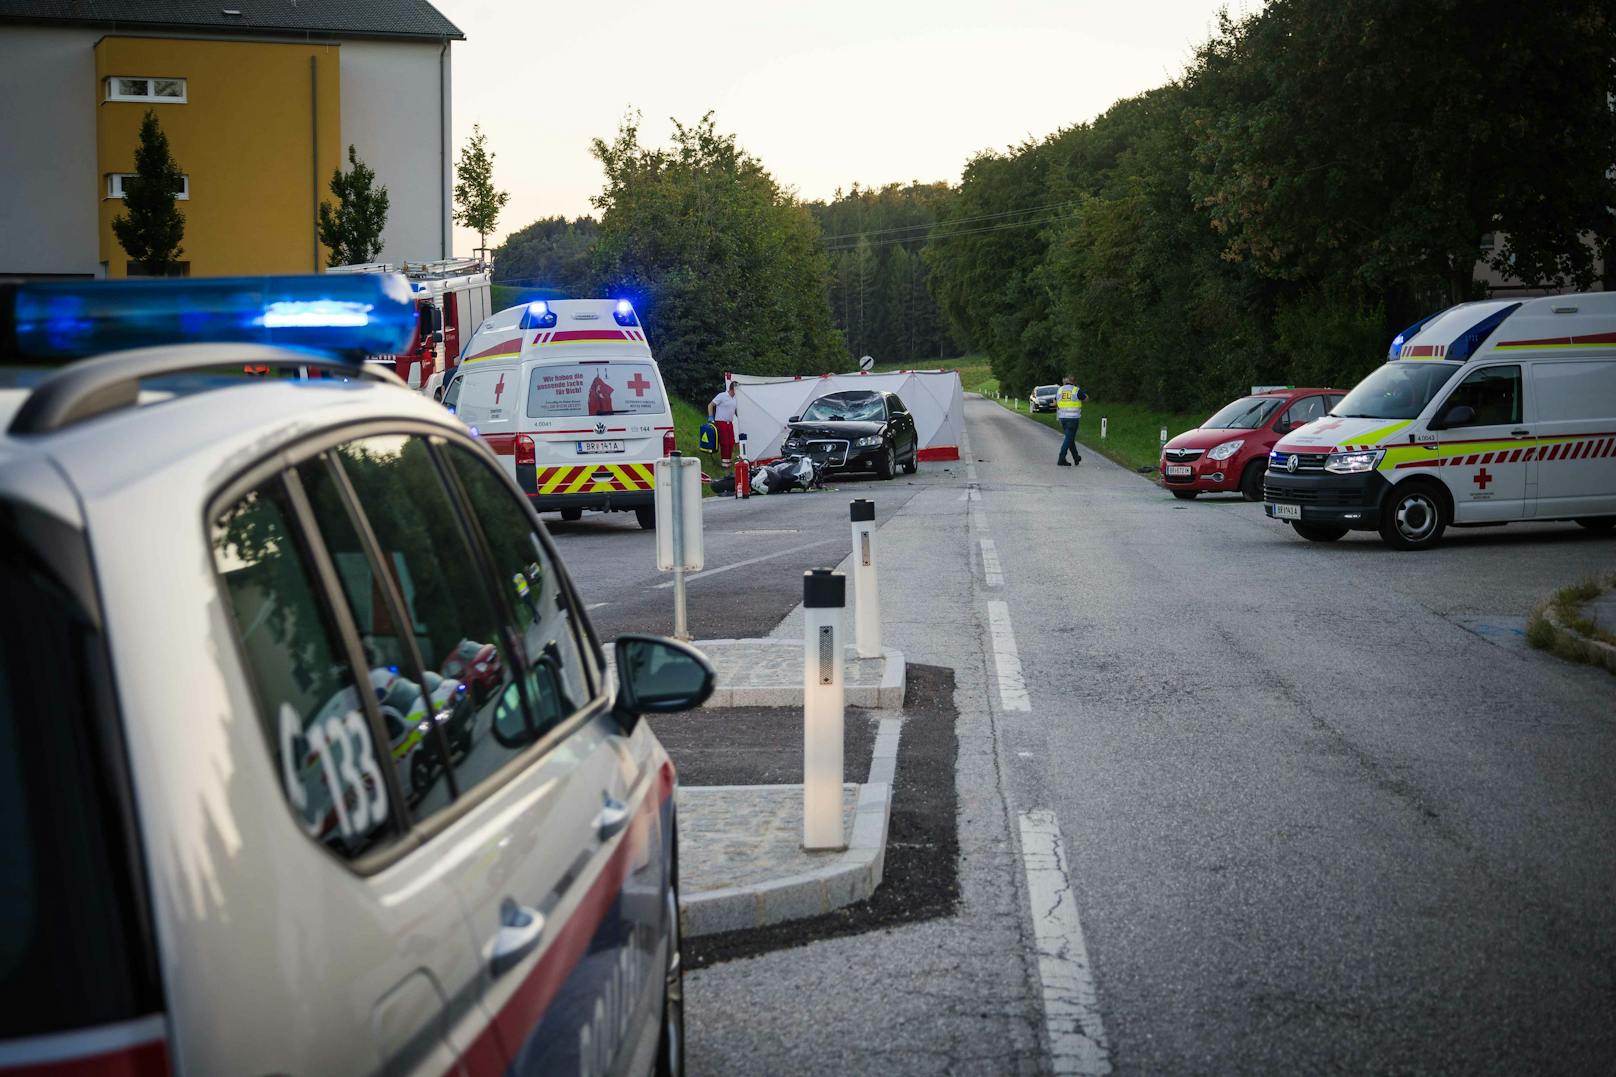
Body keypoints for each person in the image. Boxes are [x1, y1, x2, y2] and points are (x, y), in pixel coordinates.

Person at [1055, 375, 1088, 466]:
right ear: (1074, 382)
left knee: (1070, 438)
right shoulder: (1076, 390)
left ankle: (1076, 457)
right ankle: (1061, 458)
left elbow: (1055, 403)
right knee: (1069, 438)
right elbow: (1085, 399)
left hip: (1062, 418)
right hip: (1073, 418)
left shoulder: (1060, 390)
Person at [708, 380, 740, 467]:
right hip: (721, 422)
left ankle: (728, 461)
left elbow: (735, 411)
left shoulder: (735, 399)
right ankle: (724, 463)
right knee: (725, 442)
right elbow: (710, 405)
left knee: (731, 442)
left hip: (730, 423)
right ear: (733, 388)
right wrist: (711, 418)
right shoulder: (722, 396)